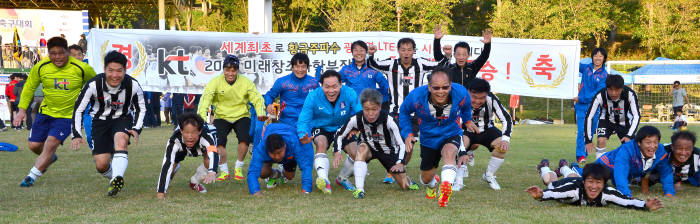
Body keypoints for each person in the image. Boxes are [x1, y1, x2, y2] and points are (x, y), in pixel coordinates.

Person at [15, 37, 96, 187]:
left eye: (61, 53)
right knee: (34, 145)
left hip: (68, 116)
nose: (57, 57)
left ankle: (31, 176)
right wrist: (21, 111)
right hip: (45, 113)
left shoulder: (82, 68)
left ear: (67, 52)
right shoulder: (41, 67)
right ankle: (49, 158)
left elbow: (97, 85)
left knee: (51, 144)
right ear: (48, 53)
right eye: (53, 53)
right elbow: (29, 88)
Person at [71, 51, 146, 196]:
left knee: (121, 141)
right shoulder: (93, 84)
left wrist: (137, 128)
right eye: (111, 70)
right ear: (105, 69)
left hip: (122, 119)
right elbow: (79, 109)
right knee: (101, 165)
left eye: (119, 71)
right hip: (99, 122)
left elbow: (141, 108)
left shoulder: (133, 85)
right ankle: (114, 178)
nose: (115, 75)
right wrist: (76, 134)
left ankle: (118, 177)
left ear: (125, 70)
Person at [399, 68, 475, 207]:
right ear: (429, 87)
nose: (441, 91)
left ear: (450, 85)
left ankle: (446, 187)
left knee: (449, 153)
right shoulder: (416, 96)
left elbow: (466, 107)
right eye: (436, 88)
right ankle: (433, 184)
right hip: (429, 138)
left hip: (451, 132)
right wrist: (408, 134)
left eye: (445, 87)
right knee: (426, 178)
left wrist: (467, 120)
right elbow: (404, 112)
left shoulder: (461, 93)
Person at [335, 89, 418, 199]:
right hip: (368, 147)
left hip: (387, 151)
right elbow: (339, 134)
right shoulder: (356, 119)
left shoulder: (389, 120)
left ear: (379, 107)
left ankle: (408, 181)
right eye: (366, 109)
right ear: (362, 107)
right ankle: (359, 190)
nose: (370, 113)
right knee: (361, 148)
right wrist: (337, 151)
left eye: (374, 109)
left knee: (404, 186)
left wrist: (400, 162)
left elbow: (402, 144)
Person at [197, 54, 266, 181]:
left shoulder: (246, 82)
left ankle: (238, 168)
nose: (230, 73)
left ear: (237, 70)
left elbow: (257, 98)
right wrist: (201, 119)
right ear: (223, 70)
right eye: (227, 70)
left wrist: (261, 111)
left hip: (241, 115)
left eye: (233, 70)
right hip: (221, 116)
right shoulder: (215, 82)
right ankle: (224, 171)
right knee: (219, 141)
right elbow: (205, 100)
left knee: (245, 139)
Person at [297, 70, 362, 194]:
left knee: (357, 154)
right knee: (321, 143)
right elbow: (303, 119)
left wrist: (356, 128)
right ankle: (324, 180)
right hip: (322, 127)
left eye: (335, 86)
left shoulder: (349, 93)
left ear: (341, 84)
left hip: (343, 127)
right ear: (321, 85)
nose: (331, 91)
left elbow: (359, 113)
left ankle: (342, 178)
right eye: (327, 87)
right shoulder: (313, 96)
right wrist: (302, 134)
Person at [338, 40, 395, 184]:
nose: (359, 53)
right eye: (355, 50)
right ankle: (353, 170)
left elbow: (385, 86)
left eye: (361, 50)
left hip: (369, 112)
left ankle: (390, 172)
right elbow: (336, 84)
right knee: (352, 141)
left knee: (382, 140)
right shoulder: (346, 70)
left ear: (366, 52)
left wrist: (381, 103)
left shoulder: (373, 70)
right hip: (353, 113)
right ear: (351, 52)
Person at [525, 163, 663, 211]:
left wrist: (645, 205)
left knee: (573, 176)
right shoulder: (573, 191)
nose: (594, 187)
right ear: (584, 182)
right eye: (590, 182)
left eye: (599, 183)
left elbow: (627, 201)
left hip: (577, 180)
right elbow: (552, 194)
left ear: (604, 184)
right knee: (549, 180)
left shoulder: (608, 192)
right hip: (566, 185)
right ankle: (544, 167)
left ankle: (563, 167)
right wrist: (541, 194)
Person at [461, 78, 512, 191]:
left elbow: (506, 118)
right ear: (468, 92)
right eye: (474, 97)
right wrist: (461, 149)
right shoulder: (461, 98)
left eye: (482, 98)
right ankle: (458, 180)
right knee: (459, 145)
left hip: (487, 130)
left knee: (502, 146)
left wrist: (505, 139)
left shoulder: (491, 98)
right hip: (466, 131)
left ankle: (489, 175)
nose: (478, 101)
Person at [594, 126, 675, 197]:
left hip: (628, 172)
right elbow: (621, 172)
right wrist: (626, 195)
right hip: (605, 165)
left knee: (618, 183)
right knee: (593, 180)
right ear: (639, 143)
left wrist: (669, 192)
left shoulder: (660, 151)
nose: (652, 146)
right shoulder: (627, 150)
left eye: (655, 142)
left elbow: (666, 172)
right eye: (648, 142)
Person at [156, 113, 219, 198]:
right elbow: (167, 163)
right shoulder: (174, 140)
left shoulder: (207, 136)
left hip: (201, 148)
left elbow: (214, 154)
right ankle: (173, 169)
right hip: (182, 148)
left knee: (211, 160)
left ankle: (194, 181)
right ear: (181, 131)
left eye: (193, 132)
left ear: (200, 131)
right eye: (186, 132)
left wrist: (212, 171)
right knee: (171, 166)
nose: (190, 136)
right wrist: (160, 192)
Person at [247, 123, 314, 196]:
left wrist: (306, 189)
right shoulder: (261, 148)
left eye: (279, 153)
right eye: (273, 153)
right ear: (267, 150)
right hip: (271, 140)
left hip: (289, 155)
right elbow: (252, 172)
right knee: (262, 172)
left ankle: (283, 171)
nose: (277, 157)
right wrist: (255, 192)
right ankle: (274, 174)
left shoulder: (294, 143)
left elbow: (306, 166)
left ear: (284, 146)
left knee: (290, 176)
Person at [584, 75, 640, 159]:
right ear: (606, 88)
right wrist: (588, 140)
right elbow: (589, 117)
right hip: (606, 120)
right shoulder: (600, 95)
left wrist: (629, 136)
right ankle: (600, 167)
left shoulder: (630, 94)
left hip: (624, 122)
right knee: (600, 140)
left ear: (622, 88)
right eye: (610, 90)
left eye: (617, 90)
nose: (613, 93)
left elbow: (636, 116)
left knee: (631, 147)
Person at [263, 53, 319, 127]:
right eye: (297, 66)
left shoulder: (313, 82)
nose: (300, 70)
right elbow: (269, 95)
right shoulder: (282, 82)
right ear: (292, 67)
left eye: (303, 67)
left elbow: (321, 99)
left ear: (307, 67)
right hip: (286, 122)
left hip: (307, 122)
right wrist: (269, 104)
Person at [574, 48, 609, 163]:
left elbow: (597, 94)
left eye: (600, 56)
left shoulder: (604, 75)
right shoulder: (586, 68)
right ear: (592, 57)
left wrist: (581, 98)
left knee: (590, 132)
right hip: (580, 107)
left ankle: (584, 152)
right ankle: (581, 155)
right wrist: (568, 52)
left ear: (604, 58)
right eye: (595, 55)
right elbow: (573, 64)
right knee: (581, 131)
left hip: (594, 108)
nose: (597, 58)